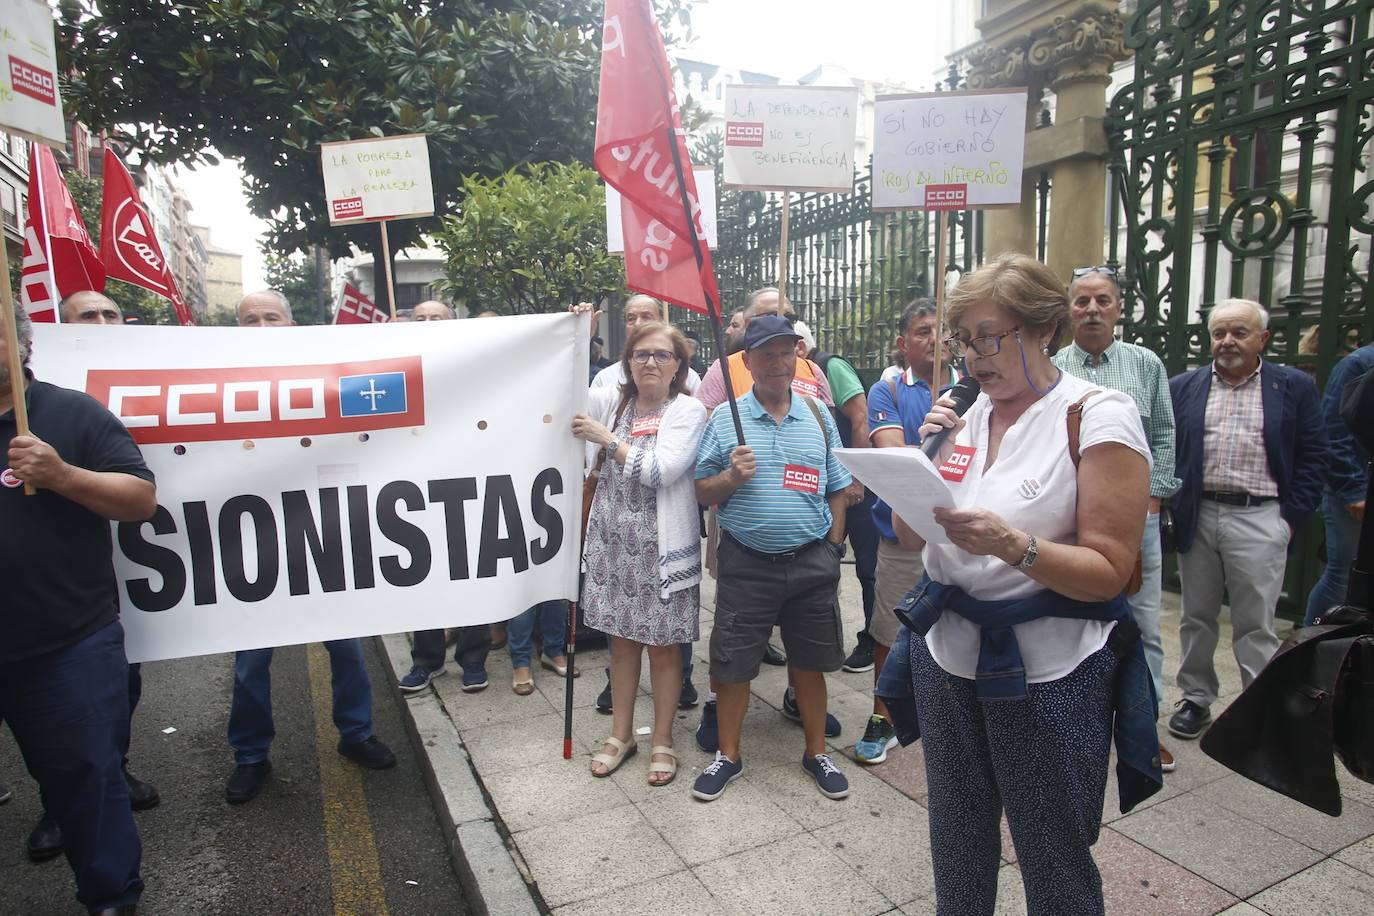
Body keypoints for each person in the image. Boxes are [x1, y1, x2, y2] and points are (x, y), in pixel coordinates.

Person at [889, 253, 1159, 914]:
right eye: (963, 339)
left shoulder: (1098, 415)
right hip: (946, 658)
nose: (973, 356)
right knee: (956, 840)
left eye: (989, 336)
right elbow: (907, 537)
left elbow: (1110, 573)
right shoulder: (965, 414)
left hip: (1048, 675)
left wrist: (1015, 546)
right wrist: (913, 466)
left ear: (1043, 328)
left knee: (1051, 853)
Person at [2, 302, 157, 915]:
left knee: (88, 785)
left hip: (64, 644)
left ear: (21, 341)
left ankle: (112, 899)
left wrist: (62, 473)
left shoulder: (69, 413)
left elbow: (139, 498)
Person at [225, 291, 396, 805]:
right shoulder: (220, 385)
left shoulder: (328, 378)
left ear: (291, 323)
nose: (260, 326)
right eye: (249, 320)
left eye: (270, 317)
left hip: (323, 539)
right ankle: (250, 755)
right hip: (255, 543)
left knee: (346, 649)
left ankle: (356, 734)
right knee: (252, 662)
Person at [691, 314, 853, 802]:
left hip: (812, 563)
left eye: (787, 352)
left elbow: (839, 488)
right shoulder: (725, 419)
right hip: (747, 562)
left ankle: (816, 752)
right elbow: (701, 491)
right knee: (734, 663)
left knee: (811, 662)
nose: (779, 363)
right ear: (747, 361)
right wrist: (731, 480)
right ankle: (729, 756)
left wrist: (832, 547)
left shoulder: (819, 415)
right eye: (767, 354)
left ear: (798, 356)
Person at [1168, 299, 1329, 739]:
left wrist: (1289, 519)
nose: (1227, 342)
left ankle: (1257, 705)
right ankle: (1196, 698)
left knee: (1255, 620)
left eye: (1239, 332)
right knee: (1196, 614)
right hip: (1199, 513)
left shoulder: (1293, 386)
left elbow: (1315, 454)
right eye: (1219, 333)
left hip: (1261, 515)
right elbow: (1167, 447)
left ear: (1263, 338)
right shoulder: (1184, 386)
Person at [1054, 266, 1182, 772]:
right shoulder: (1054, 364)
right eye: (1082, 300)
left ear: (1118, 308)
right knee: (1074, 617)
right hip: (1069, 516)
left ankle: (1143, 728)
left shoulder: (1144, 364)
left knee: (1143, 622)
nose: (1091, 309)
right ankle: (1075, 718)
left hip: (1137, 519)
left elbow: (1166, 433)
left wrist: (1153, 497)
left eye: (1101, 300)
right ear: (1069, 309)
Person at [573, 322, 707, 785]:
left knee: (665, 650)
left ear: (678, 366)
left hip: (660, 552)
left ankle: (663, 740)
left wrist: (607, 441)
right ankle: (620, 735)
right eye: (641, 354)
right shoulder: (613, 402)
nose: (651, 362)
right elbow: (564, 393)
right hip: (613, 546)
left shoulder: (688, 410)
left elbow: (662, 471)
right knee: (621, 644)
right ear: (626, 362)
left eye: (662, 355)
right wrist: (575, 333)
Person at [852, 298, 939, 765]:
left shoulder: (976, 386)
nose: (934, 339)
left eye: (942, 331)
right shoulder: (887, 390)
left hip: (962, 532)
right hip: (902, 533)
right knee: (889, 628)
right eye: (923, 331)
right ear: (904, 344)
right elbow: (893, 456)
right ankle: (883, 716)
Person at [396, 303, 494, 694]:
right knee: (424, 575)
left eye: (437, 318)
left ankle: (473, 659)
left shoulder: (471, 368)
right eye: (420, 318)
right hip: (415, 489)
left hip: (468, 485)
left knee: (473, 572)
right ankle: (427, 660)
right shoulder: (396, 369)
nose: (428, 324)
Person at [794, 320, 878, 675]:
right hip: (824, 487)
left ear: (801, 347)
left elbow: (860, 419)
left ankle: (872, 639)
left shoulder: (830, 366)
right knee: (822, 563)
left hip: (854, 488)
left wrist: (857, 480)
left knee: (868, 568)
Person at [1305, 341, 1373, 624]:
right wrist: (1352, 489)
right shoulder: (1360, 363)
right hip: (1355, 491)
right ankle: (1310, 647)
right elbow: (1333, 432)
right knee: (1343, 576)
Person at [590, 295, 701, 392]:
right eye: (631, 318)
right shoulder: (605, 379)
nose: (638, 324)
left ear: (662, 322)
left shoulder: (689, 379)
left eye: (646, 317)